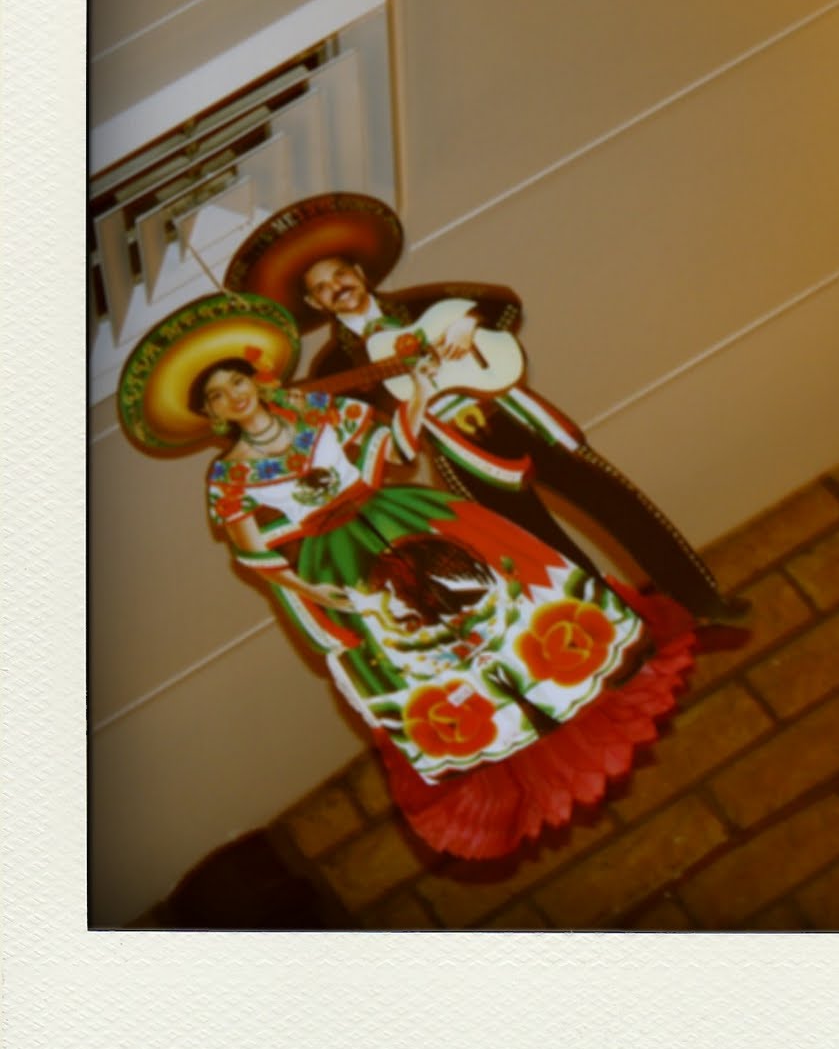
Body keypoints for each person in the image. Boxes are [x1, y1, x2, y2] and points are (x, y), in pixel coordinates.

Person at [116, 292, 698, 861]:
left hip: (405, 518)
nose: (233, 396)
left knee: (501, 602)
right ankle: (493, 724)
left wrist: (417, 390)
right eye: (217, 396)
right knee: (418, 655)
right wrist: (309, 589)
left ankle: (555, 676)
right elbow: (252, 555)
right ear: (213, 416)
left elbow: (395, 448)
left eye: (235, 381)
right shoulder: (228, 476)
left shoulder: (322, 411)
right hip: (338, 562)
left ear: (257, 379)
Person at [223, 192, 749, 624]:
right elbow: (347, 436)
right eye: (322, 289)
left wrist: (467, 323)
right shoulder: (335, 365)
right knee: (547, 554)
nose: (336, 289)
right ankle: (624, 637)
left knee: (618, 503)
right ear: (314, 304)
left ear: (359, 272)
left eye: (340, 275)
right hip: (463, 455)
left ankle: (703, 601)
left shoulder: (425, 302)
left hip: (519, 419)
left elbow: (503, 302)